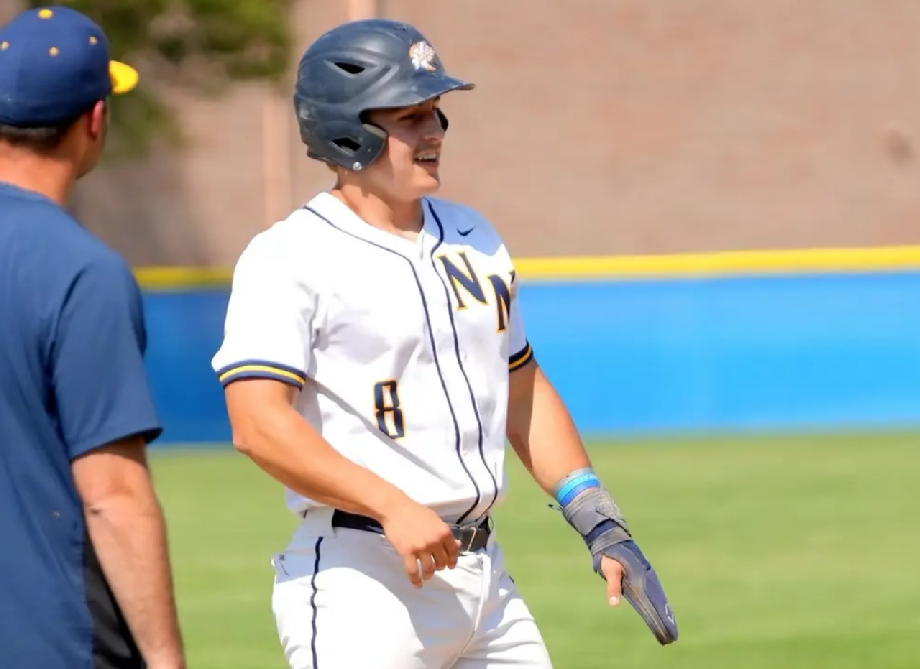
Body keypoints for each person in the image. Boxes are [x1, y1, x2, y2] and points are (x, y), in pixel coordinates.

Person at [213, 18, 677, 669]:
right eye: (409, 116)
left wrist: (599, 518)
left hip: (485, 581)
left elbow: (521, 387)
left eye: (435, 112)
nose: (433, 132)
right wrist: (390, 504)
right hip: (363, 578)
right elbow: (257, 424)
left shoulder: (473, 235)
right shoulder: (290, 254)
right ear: (346, 129)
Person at [0, 6, 186, 669]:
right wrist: (166, 658)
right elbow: (113, 496)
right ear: (95, 118)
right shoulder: (82, 271)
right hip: (50, 638)